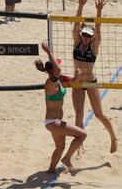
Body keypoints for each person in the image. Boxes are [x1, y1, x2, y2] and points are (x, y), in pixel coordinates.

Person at [72, 0, 117, 156]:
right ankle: (79, 146)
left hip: (91, 82)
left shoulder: (94, 45)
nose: (86, 37)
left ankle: (113, 137)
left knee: (98, 114)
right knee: (79, 116)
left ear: (92, 38)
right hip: (77, 83)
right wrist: (80, 6)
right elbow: (76, 24)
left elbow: (98, 28)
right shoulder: (77, 41)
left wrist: (99, 11)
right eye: (84, 34)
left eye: (88, 36)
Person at [36, 42, 87, 174]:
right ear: (52, 71)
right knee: (82, 135)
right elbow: (57, 70)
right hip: (53, 122)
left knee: (60, 147)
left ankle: (50, 171)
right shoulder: (49, 84)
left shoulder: (59, 80)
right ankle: (66, 159)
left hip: (56, 121)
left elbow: (73, 81)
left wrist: (77, 75)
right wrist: (48, 52)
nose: (60, 68)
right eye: (57, 65)